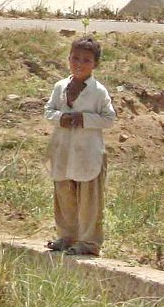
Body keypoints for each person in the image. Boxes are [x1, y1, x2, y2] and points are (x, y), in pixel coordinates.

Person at [44, 35, 116, 257]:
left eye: (86, 60)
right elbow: (48, 111)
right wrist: (61, 118)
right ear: (68, 59)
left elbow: (109, 119)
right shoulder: (60, 87)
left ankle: (88, 242)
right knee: (64, 194)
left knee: (89, 200)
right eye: (75, 58)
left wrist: (84, 119)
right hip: (63, 150)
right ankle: (67, 236)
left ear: (95, 64)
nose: (79, 64)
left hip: (89, 153)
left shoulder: (98, 92)